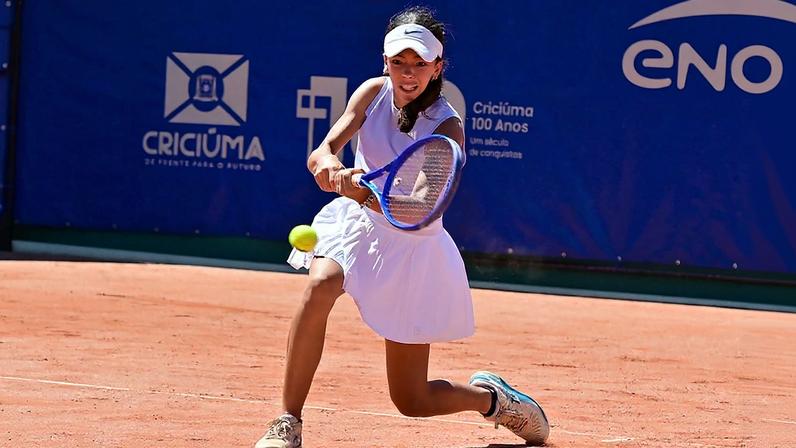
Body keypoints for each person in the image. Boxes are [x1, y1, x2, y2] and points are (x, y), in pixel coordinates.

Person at [255, 6, 549, 448]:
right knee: (320, 285)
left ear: (438, 67)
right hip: (356, 226)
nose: (407, 74)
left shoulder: (447, 126)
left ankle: (494, 401)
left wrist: (359, 191)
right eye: (398, 62)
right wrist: (330, 167)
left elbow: (416, 208)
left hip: (412, 248)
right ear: (385, 61)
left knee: (411, 399)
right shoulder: (372, 93)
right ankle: (287, 422)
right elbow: (324, 149)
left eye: (419, 64)